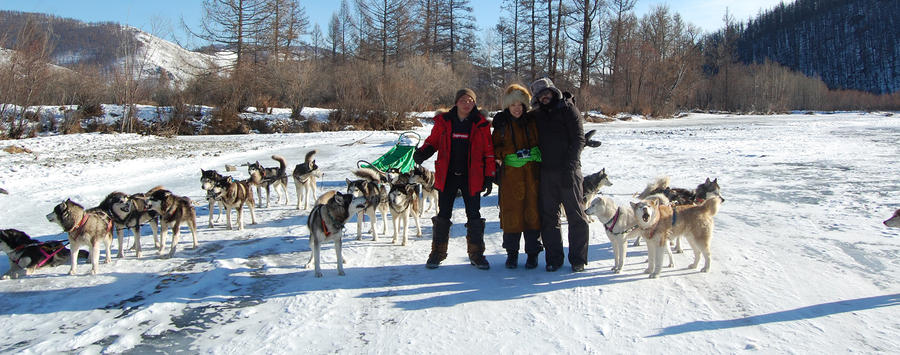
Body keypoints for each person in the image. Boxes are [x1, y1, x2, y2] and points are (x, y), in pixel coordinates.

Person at [413, 88, 496, 270]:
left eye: (471, 101)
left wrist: (489, 176)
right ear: (456, 102)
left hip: (472, 177)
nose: (467, 104)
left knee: (474, 215)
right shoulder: (444, 121)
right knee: (443, 214)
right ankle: (437, 253)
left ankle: (477, 255)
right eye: (464, 100)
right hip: (448, 176)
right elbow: (433, 141)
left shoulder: (480, 123)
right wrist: (422, 153)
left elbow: (488, 152)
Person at [529, 77, 590, 272]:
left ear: (553, 91)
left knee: (576, 216)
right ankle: (554, 259)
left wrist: (570, 167)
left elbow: (579, 139)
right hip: (546, 173)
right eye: (540, 95)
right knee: (549, 218)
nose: (544, 97)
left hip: (569, 171)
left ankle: (578, 259)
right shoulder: (537, 115)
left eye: (546, 93)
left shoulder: (568, 109)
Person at [491, 84, 543, 269]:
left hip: (531, 176)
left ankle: (532, 254)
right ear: (507, 106)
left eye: (520, 104)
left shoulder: (532, 122)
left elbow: (540, 142)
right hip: (510, 178)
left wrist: (535, 153)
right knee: (511, 214)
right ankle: (512, 254)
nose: (517, 108)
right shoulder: (501, 124)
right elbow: (494, 147)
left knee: (532, 213)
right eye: (513, 105)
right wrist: (507, 155)